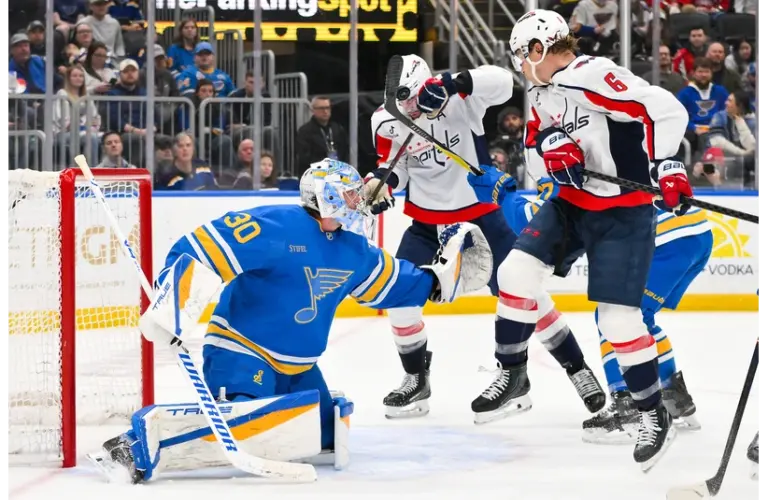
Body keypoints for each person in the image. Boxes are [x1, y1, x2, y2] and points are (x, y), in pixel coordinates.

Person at [87, 158, 492, 483]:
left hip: (298, 368)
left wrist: (437, 281)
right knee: (248, 425)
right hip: (241, 355)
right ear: (328, 196)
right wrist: (172, 303)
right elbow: (199, 247)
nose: (358, 203)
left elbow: (392, 284)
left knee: (326, 430)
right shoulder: (277, 225)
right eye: (350, 196)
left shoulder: (354, 250)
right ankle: (132, 447)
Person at [500, 9, 691, 470]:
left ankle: (652, 414)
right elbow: (536, 149)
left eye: (523, 55)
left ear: (540, 49)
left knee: (620, 321)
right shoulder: (542, 92)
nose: (521, 65)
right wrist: (554, 152)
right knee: (515, 272)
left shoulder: (593, 74)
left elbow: (665, 109)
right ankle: (513, 372)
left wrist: (667, 164)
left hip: (623, 211)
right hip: (573, 204)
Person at [367, 54, 605, 424]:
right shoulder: (385, 120)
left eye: (414, 101)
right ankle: (416, 377)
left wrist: (451, 83)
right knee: (400, 298)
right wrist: (381, 185)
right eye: (401, 104)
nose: (408, 111)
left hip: (481, 216)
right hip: (426, 224)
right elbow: (394, 166)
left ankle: (577, 369)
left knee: (525, 295)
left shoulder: (462, 100)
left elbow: (503, 81)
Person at [470, 170, 711, 443]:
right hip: (696, 235)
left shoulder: (567, 180)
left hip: (668, 240)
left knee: (616, 314)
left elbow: (533, 224)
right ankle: (671, 393)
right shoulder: (587, 163)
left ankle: (628, 406)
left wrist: (503, 195)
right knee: (640, 319)